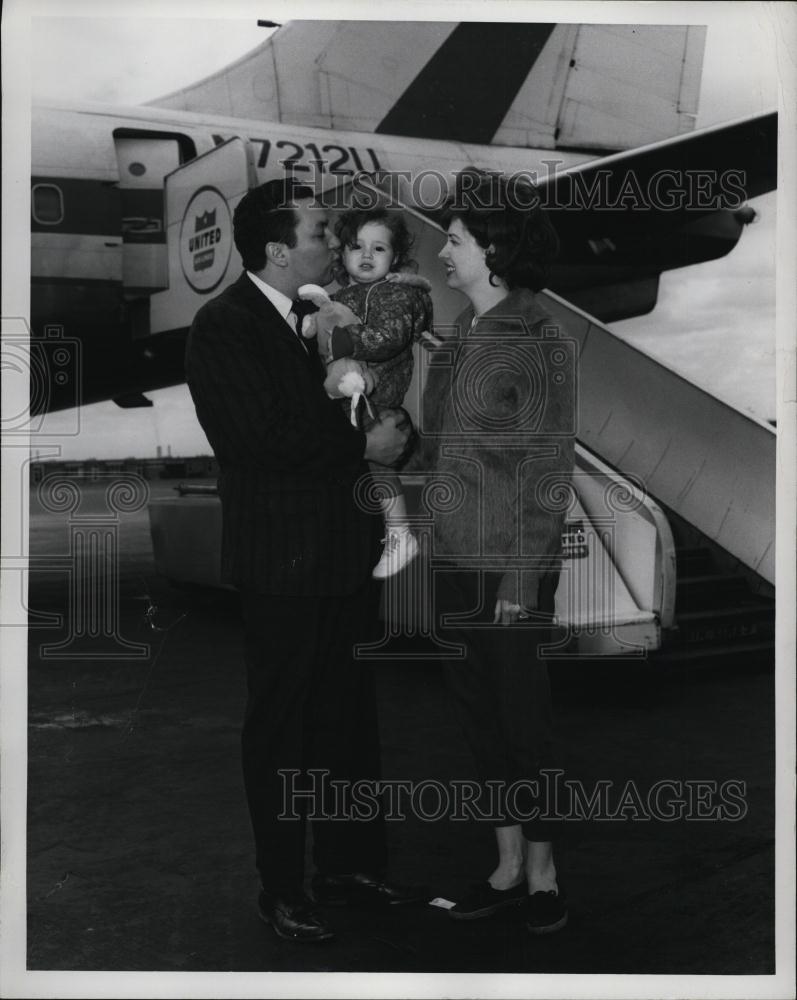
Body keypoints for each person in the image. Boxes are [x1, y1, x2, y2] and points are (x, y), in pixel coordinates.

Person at [184, 178, 426, 944]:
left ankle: (350, 868)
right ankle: (284, 887)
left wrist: (395, 436)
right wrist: (363, 445)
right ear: (279, 248)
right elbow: (253, 439)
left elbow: (372, 420)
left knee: (349, 724)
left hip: (342, 559)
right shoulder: (223, 325)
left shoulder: (325, 320)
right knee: (284, 728)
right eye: (322, 230)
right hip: (282, 568)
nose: (337, 239)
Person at [412, 169, 575, 934]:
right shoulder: (457, 339)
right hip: (454, 561)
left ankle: (543, 878)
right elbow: (440, 447)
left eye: (456, 238)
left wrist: (521, 574)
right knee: (478, 719)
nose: (444, 249)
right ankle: (505, 866)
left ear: (494, 249)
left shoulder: (537, 334)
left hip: (509, 569)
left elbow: (547, 463)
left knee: (523, 724)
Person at [300, 207, 433, 580]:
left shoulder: (398, 294)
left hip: (380, 386)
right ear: (342, 254)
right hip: (350, 389)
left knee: (376, 461)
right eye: (357, 247)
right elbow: (330, 322)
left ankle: (400, 532)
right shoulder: (344, 295)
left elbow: (388, 338)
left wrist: (344, 339)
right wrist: (316, 324)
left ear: (395, 257)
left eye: (379, 248)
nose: (367, 256)